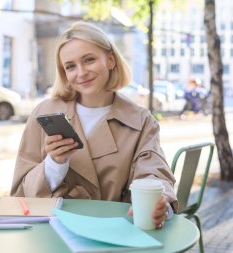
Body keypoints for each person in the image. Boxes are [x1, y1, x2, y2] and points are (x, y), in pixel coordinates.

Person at [10, 21, 177, 229]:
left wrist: (159, 204)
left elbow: (153, 173)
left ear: (110, 60)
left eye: (89, 60)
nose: (81, 73)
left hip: (115, 233)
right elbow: (21, 193)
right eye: (70, 66)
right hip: (51, 232)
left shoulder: (140, 121)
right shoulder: (43, 114)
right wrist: (55, 163)